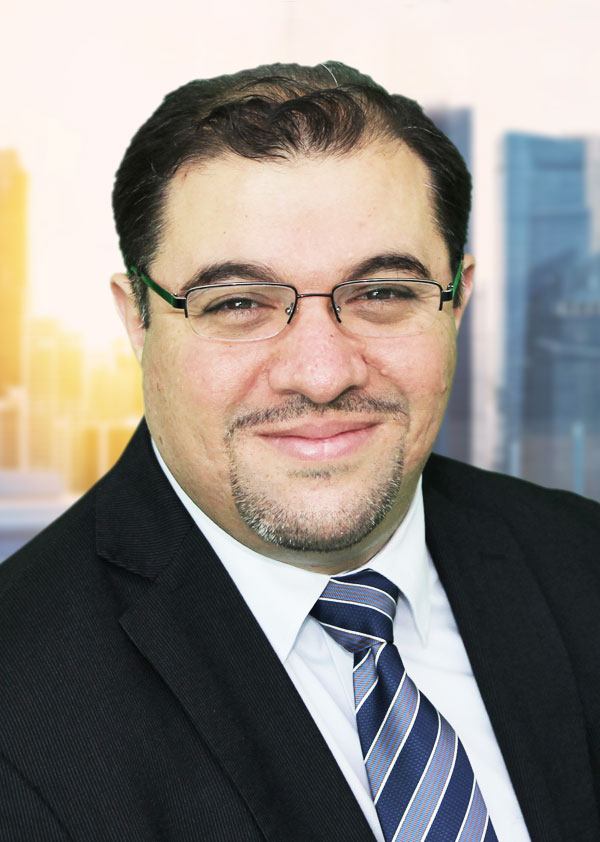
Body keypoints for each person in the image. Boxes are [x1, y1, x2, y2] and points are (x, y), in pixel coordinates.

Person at [0, 61, 598, 842]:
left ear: (457, 301)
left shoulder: (582, 563)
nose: (321, 374)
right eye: (238, 303)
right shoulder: (19, 707)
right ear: (137, 319)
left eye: (383, 293)